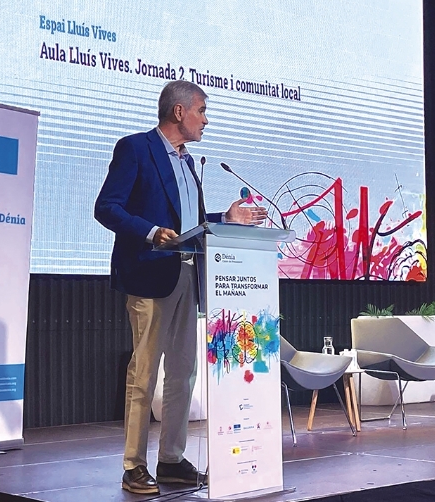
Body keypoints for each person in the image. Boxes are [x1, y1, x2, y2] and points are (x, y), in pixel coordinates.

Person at [94, 80, 267, 495]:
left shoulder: (189, 163)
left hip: (189, 274)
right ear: (178, 112)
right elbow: (107, 207)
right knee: (145, 372)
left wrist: (225, 217)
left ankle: (171, 460)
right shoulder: (136, 148)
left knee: (184, 371)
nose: (205, 119)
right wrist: (151, 232)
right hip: (150, 274)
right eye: (202, 111)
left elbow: (189, 222)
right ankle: (133, 465)